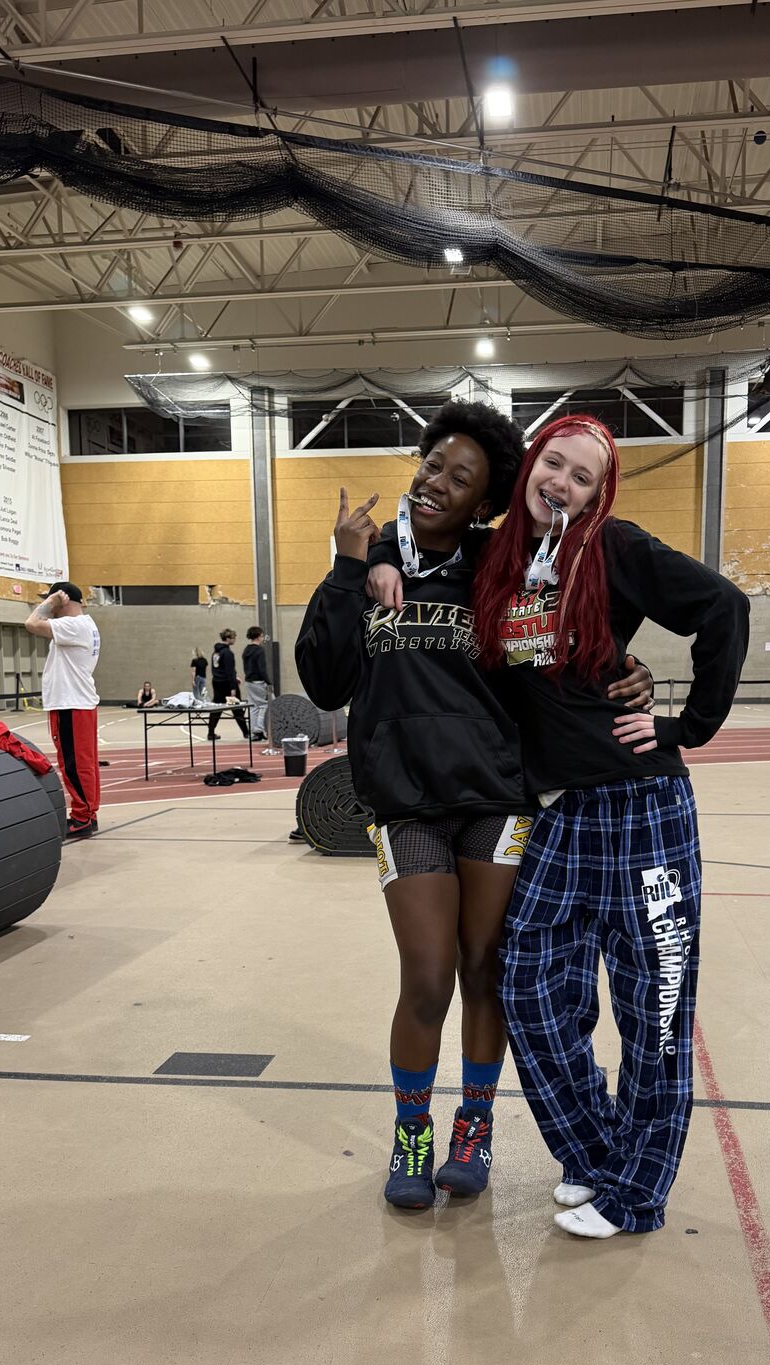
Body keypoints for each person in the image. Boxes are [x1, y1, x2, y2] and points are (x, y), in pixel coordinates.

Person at [296, 400, 655, 1213]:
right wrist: (351, 565)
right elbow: (322, 680)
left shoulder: (502, 566)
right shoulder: (372, 562)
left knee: (484, 971)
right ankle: (413, 1132)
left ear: (485, 503)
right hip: (406, 805)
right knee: (425, 978)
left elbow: (568, 633)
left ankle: (476, 1127)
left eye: (462, 479)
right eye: (432, 466)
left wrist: (633, 672)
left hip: (496, 799)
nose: (437, 484)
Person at [465, 414, 749, 1241]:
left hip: (642, 810)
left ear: (600, 493)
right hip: (558, 814)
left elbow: (722, 607)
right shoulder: (497, 561)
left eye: (583, 476)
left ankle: (636, 1195)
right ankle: (595, 1152)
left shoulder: (614, 549)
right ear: (529, 467)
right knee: (528, 988)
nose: (563, 482)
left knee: (651, 1010)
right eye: (554, 463)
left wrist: (683, 727)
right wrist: (372, 559)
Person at [25, 581, 102, 841]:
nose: (51, 608)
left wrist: (51, 602)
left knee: (74, 765)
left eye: (54, 602)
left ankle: (82, 818)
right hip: (78, 702)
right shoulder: (84, 625)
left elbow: (32, 624)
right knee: (84, 763)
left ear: (63, 600)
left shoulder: (73, 625)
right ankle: (88, 813)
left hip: (71, 703)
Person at [207, 628, 251, 742]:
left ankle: (210, 732)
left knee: (216, 708)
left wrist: (234, 677)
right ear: (228, 639)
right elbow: (229, 671)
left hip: (217, 682)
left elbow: (219, 668)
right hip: (227, 684)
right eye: (233, 637)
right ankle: (246, 732)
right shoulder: (227, 653)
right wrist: (232, 686)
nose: (235, 639)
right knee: (237, 708)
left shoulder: (216, 652)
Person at [240, 625, 272, 740]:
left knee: (253, 706)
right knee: (264, 705)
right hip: (258, 681)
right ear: (258, 637)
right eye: (262, 636)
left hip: (249, 681)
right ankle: (259, 729)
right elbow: (262, 668)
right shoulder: (259, 650)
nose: (263, 639)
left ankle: (253, 731)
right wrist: (269, 682)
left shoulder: (246, 650)